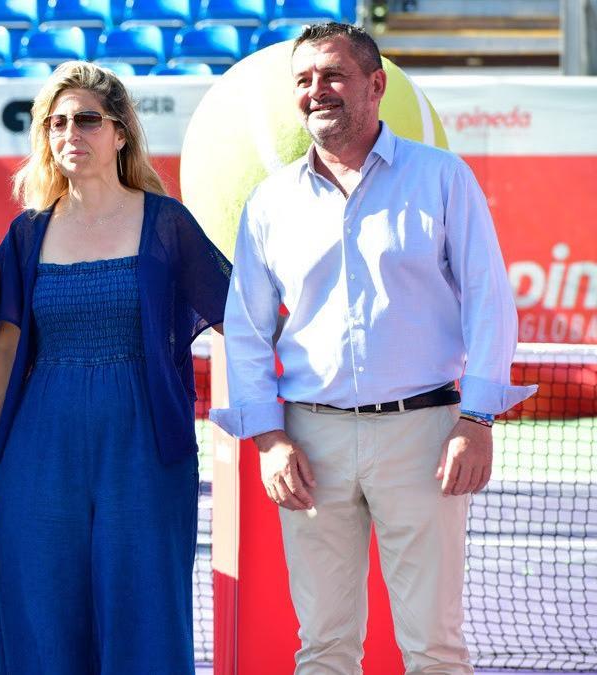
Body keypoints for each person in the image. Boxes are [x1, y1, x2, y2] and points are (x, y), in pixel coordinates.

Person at [210, 22, 536, 674]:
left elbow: (489, 303)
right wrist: (269, 439)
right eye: (303, 80)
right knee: (324, 647)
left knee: (434, 647)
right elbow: (246, 329)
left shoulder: (443, 178)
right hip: (309, 442)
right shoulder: (270, 202)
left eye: (333, 75)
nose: (316, 91)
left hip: (425, 437)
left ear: (376, 84)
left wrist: (475, 420)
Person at [0, 61, 231, 672]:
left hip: (145, 449)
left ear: (120, 133)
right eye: (55, 123)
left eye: (86, 119)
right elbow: (5, 346)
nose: (70, 134)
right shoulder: (29, 233)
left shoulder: (169, 224)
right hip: (37, 449)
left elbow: (237, 324)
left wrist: (261, 429)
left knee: (145, 609)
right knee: (39, 611)